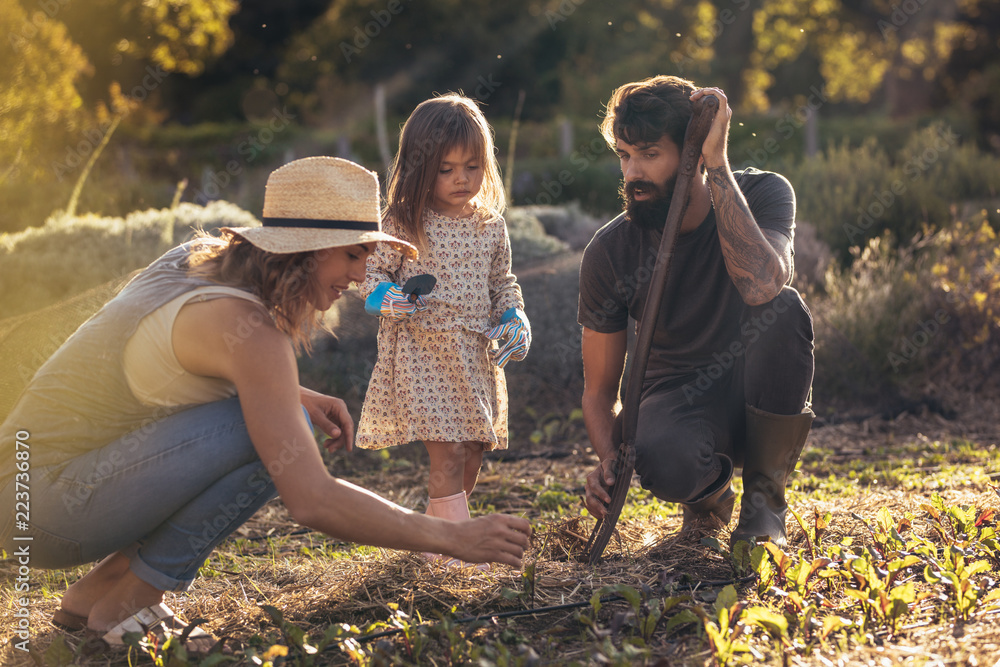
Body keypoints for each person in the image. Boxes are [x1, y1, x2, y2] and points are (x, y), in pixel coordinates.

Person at [0, 157, 531, 654]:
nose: (357, 277)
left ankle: (99, 592)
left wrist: (290, 392)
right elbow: (312, 499)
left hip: (22, 490)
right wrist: (451, 536)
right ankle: (126, 606)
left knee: (282, 415)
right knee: (276, 436)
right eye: (352, 254)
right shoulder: (248, 332)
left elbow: (151, 362)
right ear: (302, 249)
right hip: (47, 508)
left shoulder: (194, 263)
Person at [578, 75, 815, 547]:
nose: (632, 174)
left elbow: (762, 284)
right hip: (675, 397)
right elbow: (600, 389)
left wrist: (717, 165)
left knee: (783, 309)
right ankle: (709, 497)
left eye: (649, 154)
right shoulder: (610, 251)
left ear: (692, 152)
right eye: (625, 155)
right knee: (663, 456)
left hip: (758, 389)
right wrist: (608, 459)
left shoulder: (766, 194)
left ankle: (764, 504)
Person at [356, 94, 531, 567]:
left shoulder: (490, 225)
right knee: (448, 455)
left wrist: (515, 316)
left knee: (471, 451)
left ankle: (435, 544)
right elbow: (371, 278)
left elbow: (503, 283)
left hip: (474, 352)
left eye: (472, 166)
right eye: (446, 168)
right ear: (420, 166)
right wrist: (386, 299)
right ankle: (455, 555)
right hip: (424, 351)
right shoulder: (403, 222)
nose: (461, 179)